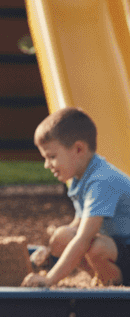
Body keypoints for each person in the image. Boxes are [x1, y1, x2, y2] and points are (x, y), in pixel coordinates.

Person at [22, 107, 130, 288]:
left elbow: (84, 238)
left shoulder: (101, 181)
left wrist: (50, 280)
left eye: (52, 157)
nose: (47, 165)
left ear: (78, 149)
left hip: (122, 247)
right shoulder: (82, 178)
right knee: (61, 236)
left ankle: (118, 288)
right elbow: (77, 225)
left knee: (97, 248)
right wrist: (47, 252)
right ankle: (104, 279)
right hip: (119, 248)